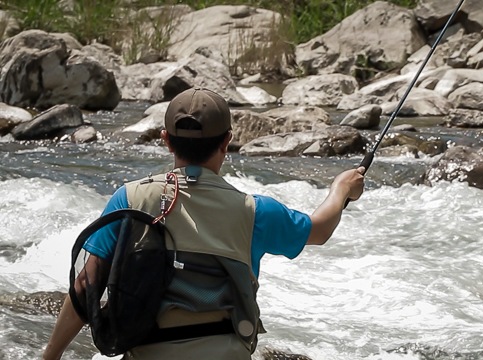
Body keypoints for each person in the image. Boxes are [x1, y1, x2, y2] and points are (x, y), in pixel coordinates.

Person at [43, 87, 366, 360]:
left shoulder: (128, 199)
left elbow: (85, 287)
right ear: (227, 142)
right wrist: (341, 188)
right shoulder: (256, 211)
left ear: (166, 140)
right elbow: (320, 229)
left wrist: (50, 357)